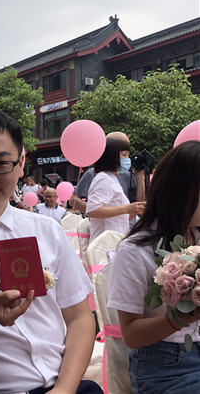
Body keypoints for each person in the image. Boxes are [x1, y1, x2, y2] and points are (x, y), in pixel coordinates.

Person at [0, 110, 100, 393]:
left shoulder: (47, 230)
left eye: (1, 163)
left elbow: (80, 318)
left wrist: (64, 389)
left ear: (21, 163)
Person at [108, 140, 200, 393]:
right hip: (167, 366)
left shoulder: (195, 235)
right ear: (181, 191)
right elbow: (131, 334)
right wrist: (181, 317)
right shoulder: (135, 250)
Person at [85, 138, 146, 242]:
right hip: (104, 244)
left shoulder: (112, 179)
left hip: (114, 241)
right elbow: (92, 210)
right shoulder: (103, 179)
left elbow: (118, 218)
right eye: (124, 155)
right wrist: (127, 208)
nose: (128, 159)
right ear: (112, 156)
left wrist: (135, 210)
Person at [69, 131, 146, 213]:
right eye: (124, 154)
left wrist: (139, 176)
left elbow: (140, 206)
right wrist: (100, 211)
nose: (127, 158)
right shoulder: (95, 174)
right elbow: (74, 200)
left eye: (127, 154)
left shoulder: (130, 175)